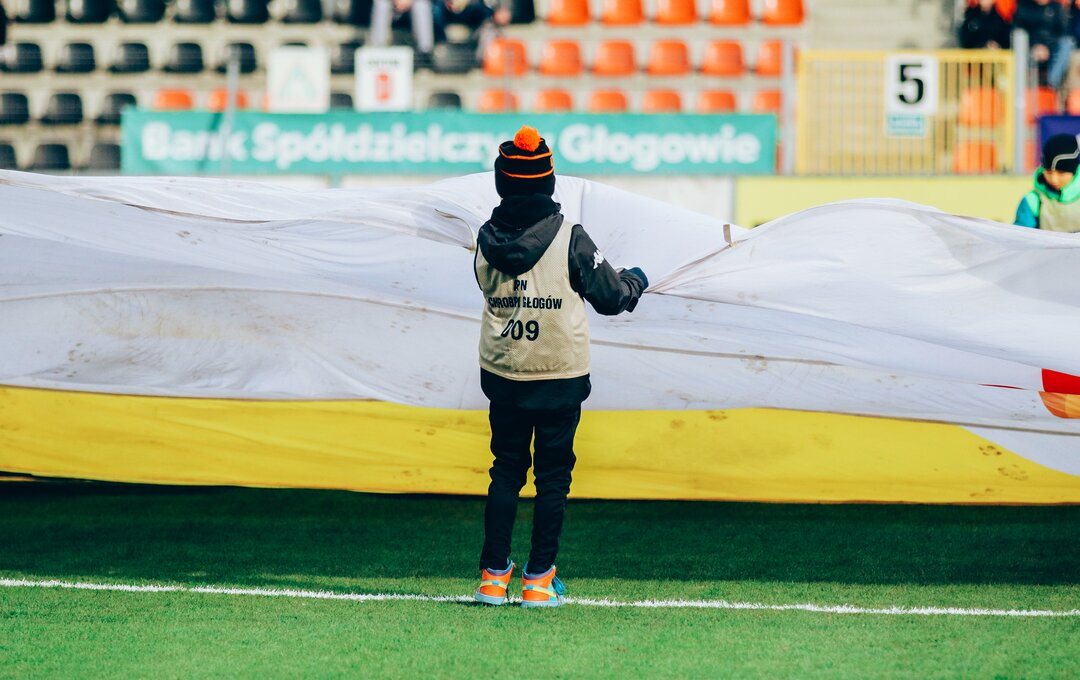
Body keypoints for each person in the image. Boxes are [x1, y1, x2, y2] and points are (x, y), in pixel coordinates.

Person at [472, 126, 648, 608]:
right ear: (548, 181)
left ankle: (492, 578)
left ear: (502, 182)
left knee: (505, 472)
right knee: (552, 479)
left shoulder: (484, 239)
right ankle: (538, 581)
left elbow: (487, 288)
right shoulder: (572, 236)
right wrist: (635, 280)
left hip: (504, 373)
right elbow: (610, 298)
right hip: (559, 375)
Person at [1014, 132, 1080, 231]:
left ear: (1074, 171)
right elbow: (1020, 235)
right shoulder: (1034, 200)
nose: (1054, 179)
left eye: (1061, 173)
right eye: (1048, 172)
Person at [1013, 0, 1072, 87]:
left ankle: (1051, 84)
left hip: (1050, 50)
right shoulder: (1024, 6)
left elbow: (1062, 32)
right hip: (1029, 48)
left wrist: (1047, 47)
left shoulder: (1056, 7)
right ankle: (1020, 84)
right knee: (1019, 38)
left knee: (1067, 43)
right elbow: (1016, 29)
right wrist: (1034, 46)